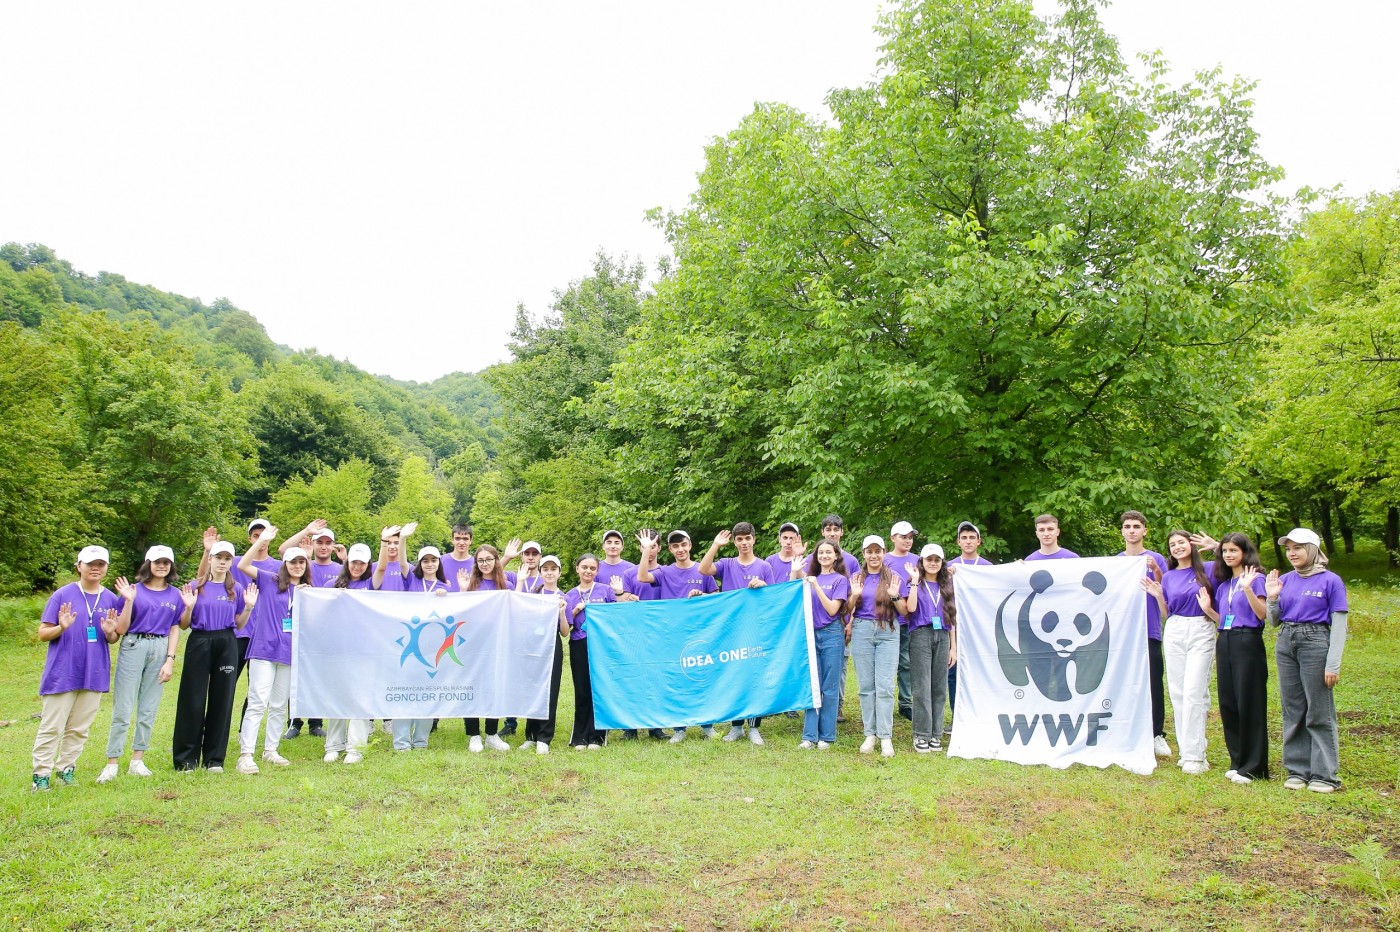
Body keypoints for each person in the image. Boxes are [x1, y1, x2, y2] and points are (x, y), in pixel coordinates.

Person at [30, 546, 122, 791]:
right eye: (90, 563)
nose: (95, 568)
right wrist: (61, 627)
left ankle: (66, 769)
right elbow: (42, 634)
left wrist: (110, 632)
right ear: (78, 566)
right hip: (63, 672)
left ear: (106, 568)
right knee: (52, 727)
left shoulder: (111, 598)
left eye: (101, 564)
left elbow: (113, 639)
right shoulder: (62, 595)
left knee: (79, 728)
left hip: (94, 672)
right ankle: (41, 775)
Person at [1267, 528, 1349, 793]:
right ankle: (1298, 770)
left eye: (1298, 548)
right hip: (1286, 640)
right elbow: (1273, 620)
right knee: (1293, 708)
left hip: (1316, 642)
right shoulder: (1287, 579)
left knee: (1318, 710)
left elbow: (1339, 624)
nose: (1292, 553)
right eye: (1288, 549)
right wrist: (1272, 598)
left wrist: (1333, 664)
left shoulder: (1331, 580)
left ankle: (1325, 775)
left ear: (1312, 550)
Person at [97, 545, 188, 784]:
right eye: (157, 562)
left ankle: (138, 759)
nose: (162, 566)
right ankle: (112, 761)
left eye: (166, 562)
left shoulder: (175, 594)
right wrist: (128, 601)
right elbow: (121, 629)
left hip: (160, 648)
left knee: (148, 707)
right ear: (148, 564)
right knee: (123, 707)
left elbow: (174, 628)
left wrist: (170, 660)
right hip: (133, 644)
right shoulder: (133, 590)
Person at [171, 541, 255, 772]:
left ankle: (214, 759)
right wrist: (188, 607)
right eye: (218, 557)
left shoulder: (236, 588)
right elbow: (184, 624)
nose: (222, 562)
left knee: (223, 698)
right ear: (210, 559)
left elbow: (238, 624)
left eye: (227, 559)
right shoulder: (195, 586)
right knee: (193, 697)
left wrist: (248, 607)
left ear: (231, 562)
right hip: (200, 640)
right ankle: (186, 758)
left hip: (226, 641)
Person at [1145, 530, 1219, 775]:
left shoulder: (1208, 568)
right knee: (1177, 693)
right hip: (1175, 629)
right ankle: (1186, 752)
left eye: (1181, 542)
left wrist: (1217, 545)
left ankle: (1197, 756)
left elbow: (1239, 562)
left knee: (1194, 692)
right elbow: (1167, 612)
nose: (1177, 547)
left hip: (1201, 626)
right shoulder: (1169, 577)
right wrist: (1157, 596)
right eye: (1172, 544)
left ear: (1191, 545)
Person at [235, 527, 309, 774]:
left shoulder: (308, 591)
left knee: (279, 704)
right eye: (292, 562)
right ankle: (246, 754)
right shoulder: (270, 580)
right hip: (264, 650)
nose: (297, 566)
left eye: (301, 562)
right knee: (258, 701)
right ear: (285, 564)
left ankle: (270, 750)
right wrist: (262, 542)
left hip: (288, 653)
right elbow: (243, 565)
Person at [1198, 532, 1269, 784]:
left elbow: (1262, 615)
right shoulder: (1225, 583)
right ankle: (1237, 761)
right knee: (1229, 702)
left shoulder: (1256, 579)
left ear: (1245, 553)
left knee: (1249, 701)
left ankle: (1254, 766)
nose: (1228, 555)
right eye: (1225, 551)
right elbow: (1226, 619)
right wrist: (1209, 611)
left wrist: (1248, 589)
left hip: (1247, 641)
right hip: (1225, 639)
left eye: (1233, 550)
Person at [637, 530, 720, 742]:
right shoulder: (665, 572)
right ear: (671, 549)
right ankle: (679, 729)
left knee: (700, 679)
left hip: (699, 633)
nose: (680, 549)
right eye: (675, 546)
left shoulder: (702, 570)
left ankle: (707, 725)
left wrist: (702, 595)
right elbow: (642, 576)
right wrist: (647, 549)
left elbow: (717, 597)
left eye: (683, 544)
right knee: (675, 681)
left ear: (690, 545)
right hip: (671, 635)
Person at [699, 523, 777, 744]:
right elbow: (703, 570)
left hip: (754, 629)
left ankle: (754, 727)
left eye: (747, 539)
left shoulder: (764, 567)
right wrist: (715, 545)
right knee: (733, 676)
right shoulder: (727, 564)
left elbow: (772, 599)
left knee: (754, 677)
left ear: (754, 540)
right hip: (730, 630)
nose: (744, 543)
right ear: (734, 542)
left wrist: (763, 585)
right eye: (739, 539)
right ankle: (736, 727)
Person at [846, 535, 905, 758]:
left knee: (885, 686)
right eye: (869, 552)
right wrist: (854, 596)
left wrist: (895, 596)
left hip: (888, 631)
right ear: (864, 554)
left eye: (877, 551)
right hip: (862, 630)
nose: (873, 555)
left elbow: (905, 611)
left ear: (883, 552)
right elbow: (847, 609)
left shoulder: (894, 577)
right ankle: (870, 733)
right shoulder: (856, 578)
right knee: (866, 686)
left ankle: (885, 736)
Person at [1118, 511, 1172, 759]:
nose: (1131, 530)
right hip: (1123, 634)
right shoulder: (1116, 562)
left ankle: (1156, 734)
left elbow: (1166, 589)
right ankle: (1126, 729)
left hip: (1149, 629)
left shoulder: (1156, 558)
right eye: (1127, 526)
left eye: (1136, 526)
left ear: (1144, 531)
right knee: (1124, 681)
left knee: (1153, 682)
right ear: (1122, 531)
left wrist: (1156, 570)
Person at [285, 525, 340, 739]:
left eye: (328, 543)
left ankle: (316, 723)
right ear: (314, 544)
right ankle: (294, 722)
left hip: (325, 630)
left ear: (333, 546)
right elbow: (283, 552)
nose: (324, 546)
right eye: (320, 542)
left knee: (318, 675)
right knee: (296, 675)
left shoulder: (339, 568)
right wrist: (305, 554)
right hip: (299, 627)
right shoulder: (303, 564)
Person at [902, 543, 957, 754]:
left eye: (936, 560)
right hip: (921, 635)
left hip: (943, 635)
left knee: (939, 687)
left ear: (942, 563)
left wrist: (953, 647)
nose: (933, 563)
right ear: (922, 562)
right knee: (922, 686)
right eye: (929, 560)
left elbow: (952, 618)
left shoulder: (947, 585)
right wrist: (915, 581)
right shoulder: (916, 583)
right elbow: (911, 608)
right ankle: (921, 734)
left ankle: (936, 733)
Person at [323, 543, 375, 763]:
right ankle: (333, 745)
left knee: (360, 698)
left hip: (365, 649)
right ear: (347, 562)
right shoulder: (331, 584)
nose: (357, 566)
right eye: (354, 562)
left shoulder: (372, 585)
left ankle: (356, 747)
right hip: (339, 649)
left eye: (362, 563)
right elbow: (318, 609)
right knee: (338, 696)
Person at [462, 544, 517, 751]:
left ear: (496, 560)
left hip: (498, 644)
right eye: (481, 560)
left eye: (488, 559)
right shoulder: (470, 586)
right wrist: (461, 591)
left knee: (494, 687)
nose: (485, 564)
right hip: (473, 645)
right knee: (472, 687)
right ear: (476, 563)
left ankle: (492, 734)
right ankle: (474, 734)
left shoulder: (505, 586)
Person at [797, 540, 849, 750]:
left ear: (836, 555)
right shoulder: (809, 578)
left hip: (832, 635)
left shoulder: (840, 580)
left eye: (829, 552)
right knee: (813, 686)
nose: (825, 555)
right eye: (821, 552)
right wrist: (798, 573)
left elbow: (832, 610)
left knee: (829, 686)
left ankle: (826, 736)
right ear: (816, 556)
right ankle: (809, 735)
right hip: (811, 634)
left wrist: (816, 586)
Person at [519, 555, 568, 755]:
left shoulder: (563, 596)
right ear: (540, 572)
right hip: (532, 646)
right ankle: (530, 735)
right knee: (532, 688)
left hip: (552, 645)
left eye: (553, 569)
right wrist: (521, 580)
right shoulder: (533, 594)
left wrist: (563, 613)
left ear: (559, 572)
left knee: (550, 690)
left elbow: (565, 632)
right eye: (545, 569)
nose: (549, 572)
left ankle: (544, 737)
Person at [946, 521, 992, 733]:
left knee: (980, 671)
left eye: (972, 537)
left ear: (979, 541)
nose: (968, 541)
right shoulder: (950, 567)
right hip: (955, 628)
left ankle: (981, 716)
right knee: (953, 672)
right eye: (964, 538)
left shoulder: (988, 568)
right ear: (958, 542)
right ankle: (957, 717)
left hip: (980, 630)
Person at [566, 554, 615, 750]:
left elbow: (615, 618)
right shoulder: (569, 595)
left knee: (599, 689)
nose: (588, 571)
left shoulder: (605, 591)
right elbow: (566, 627)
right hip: (579, 643)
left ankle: (597, 736)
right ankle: (579, 737)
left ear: (597, 571)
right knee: (582, 690)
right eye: (584, 567)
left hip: (601, 645)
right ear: (577, 568)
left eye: (592, 568)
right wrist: (575, 611)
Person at [820, 515, 860, 724]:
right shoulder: (817, 557)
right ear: (823, 533)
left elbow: (856, 592)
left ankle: (836, 707)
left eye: (836, 529)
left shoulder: (852, 561)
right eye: (828, 529)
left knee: (840, 665)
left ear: (842, 532)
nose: (832, 532)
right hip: (819, 622)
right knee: (820, 666)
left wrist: (850, 622)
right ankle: (819, 705)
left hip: (843, 620)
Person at [885, 521, 920, 721]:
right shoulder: (885, 559)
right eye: (903, 536)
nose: (907, 540)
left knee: (907, 662)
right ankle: (884, 700)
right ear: (893, 538)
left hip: (911, 620)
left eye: (910, 537)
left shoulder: (919, 560)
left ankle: (906, 703)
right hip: (889, 619)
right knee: (888, 662)